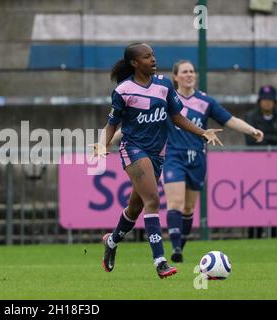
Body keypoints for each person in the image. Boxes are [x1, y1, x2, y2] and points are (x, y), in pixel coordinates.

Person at [91, 44, 223, 279]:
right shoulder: (123, 90)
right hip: (133, 149)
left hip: (157, 153)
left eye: (153, 55)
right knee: (153, 200)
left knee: (136, 206)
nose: (153, 59)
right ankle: (160, 261)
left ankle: (111, 241)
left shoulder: (163, 85)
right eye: (147, 56)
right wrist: (103, 144)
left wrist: (202, 132)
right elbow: (112, 123)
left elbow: (176, 117)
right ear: (134, 63)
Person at [162, 60, 264, 262]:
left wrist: (251, 130)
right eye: (184, 72)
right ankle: (175, 249)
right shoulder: (168, 100)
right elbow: (140, 121)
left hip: (198, 159)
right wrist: (111, 139)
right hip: (174, 157)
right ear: (176, 77)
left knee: (189, 208)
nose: (189, 75)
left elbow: (230, 120)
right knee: (176, 203)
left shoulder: (205, 101)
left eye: (192, 71)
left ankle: (179, 246)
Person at [245, 85, 277, 238]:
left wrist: (265, 140)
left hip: (275, 166)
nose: (267, 103)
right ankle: (254, 234)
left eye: (270, 99)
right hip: (255, 166)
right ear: (259, 101)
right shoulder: (251, 117)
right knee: (255, 200)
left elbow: (261, 140)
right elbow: (250, 141)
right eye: (264, 99)